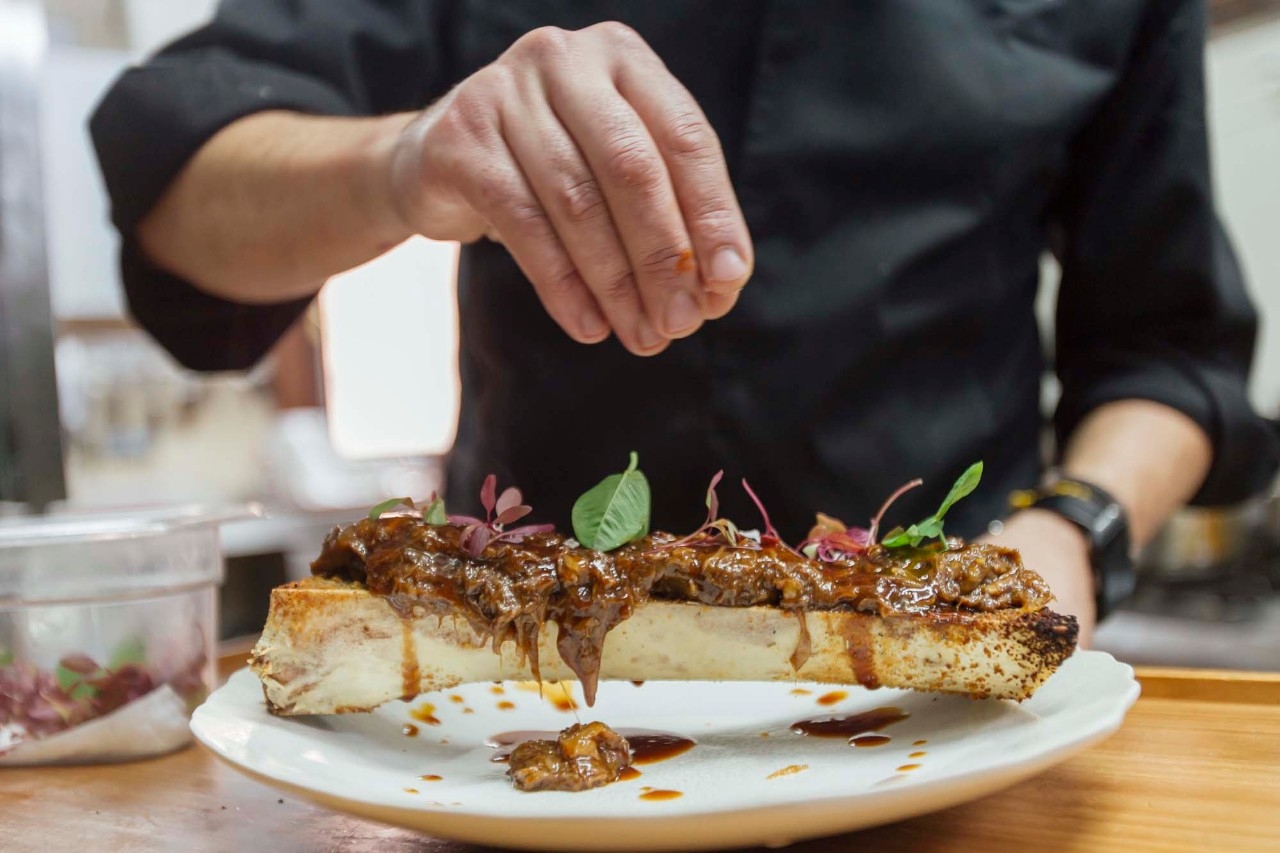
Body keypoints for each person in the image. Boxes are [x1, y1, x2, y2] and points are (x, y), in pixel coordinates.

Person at [90, 1, 1278, 645]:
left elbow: (1167, 353)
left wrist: (1071, 531)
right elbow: (177, 188)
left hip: (931, 679)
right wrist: (403, 163)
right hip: (523, 675)